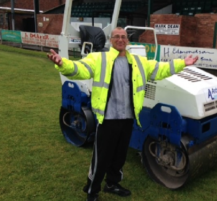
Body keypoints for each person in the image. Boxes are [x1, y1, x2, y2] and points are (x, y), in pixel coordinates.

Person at [48, 27, 198, 201]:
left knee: (120, 156)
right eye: (117, 37)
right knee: (101, 157)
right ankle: (92, 189)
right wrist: (62, 63)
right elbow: (79, 69)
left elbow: (161, 69)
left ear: (127, 41)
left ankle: (112, 183)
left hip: (127, 118)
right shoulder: (99, 58)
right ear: (111, 40)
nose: (120, 39)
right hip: (108, 118)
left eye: (123, 37)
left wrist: (182, 63)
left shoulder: (139, 62)